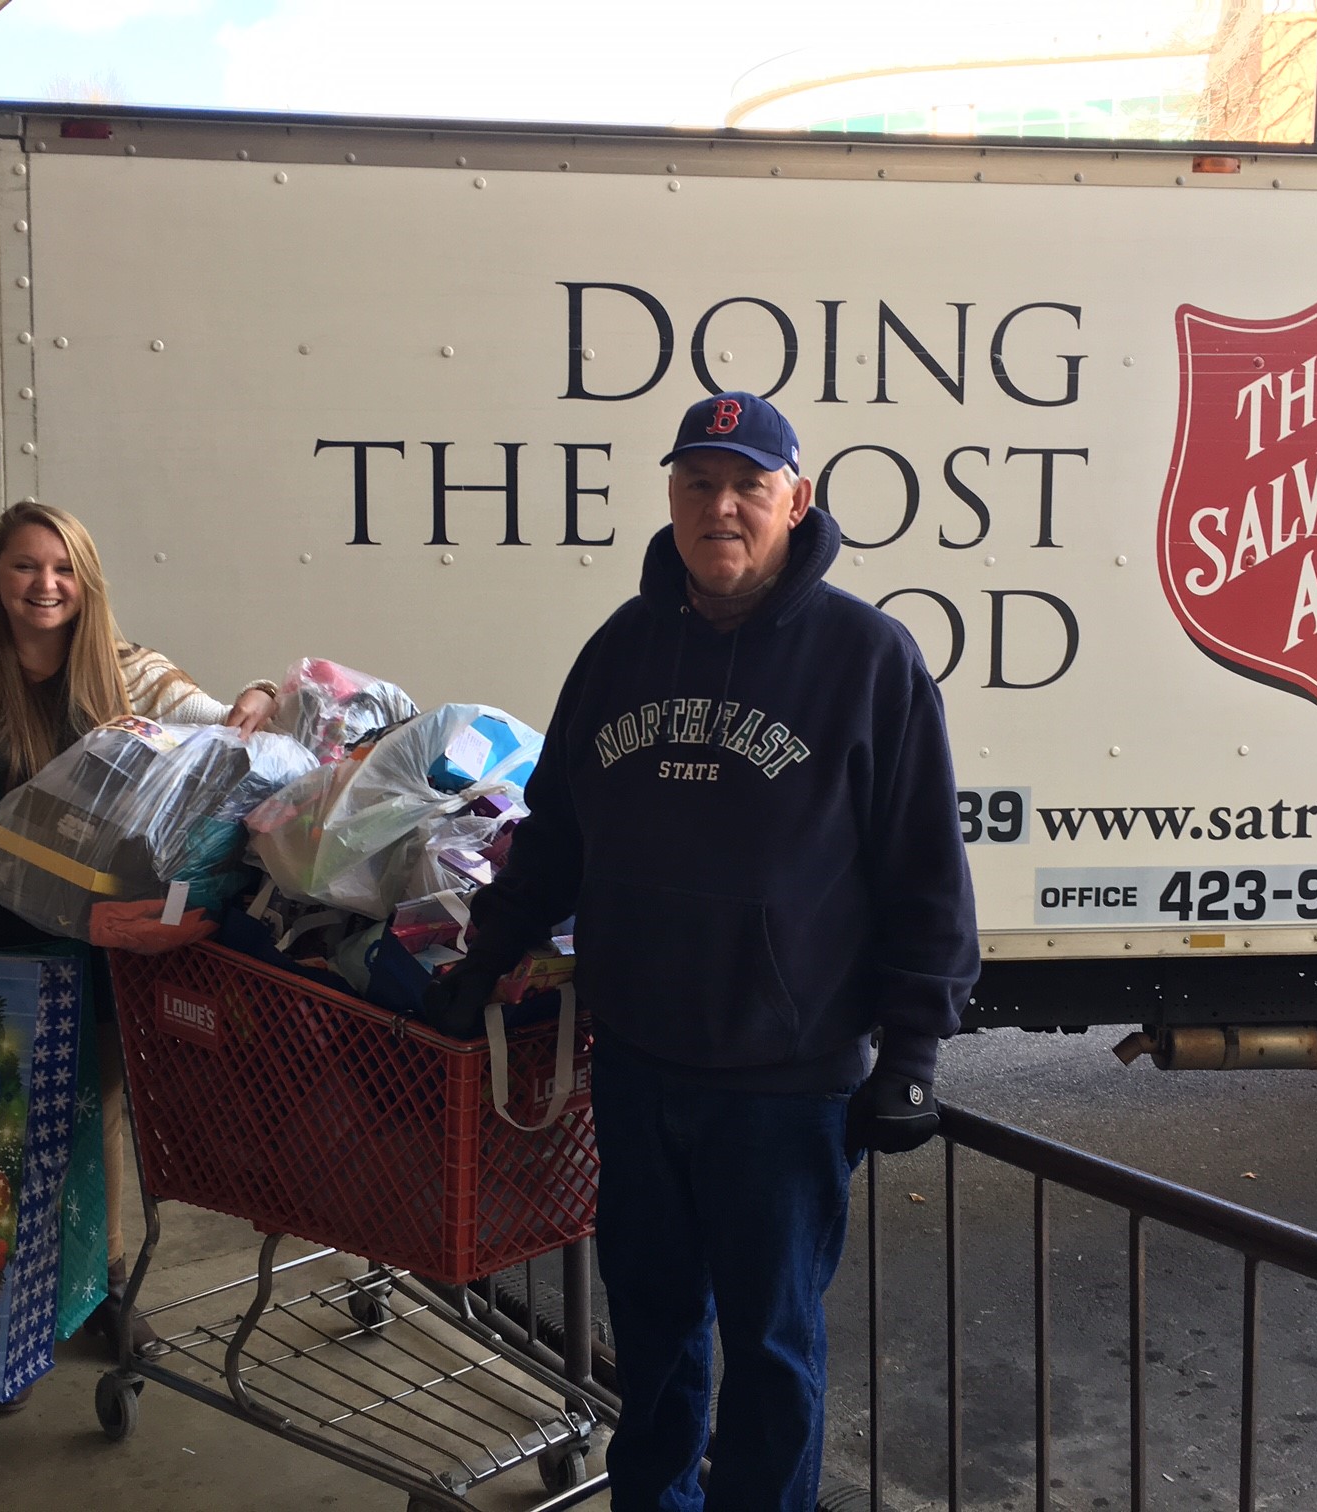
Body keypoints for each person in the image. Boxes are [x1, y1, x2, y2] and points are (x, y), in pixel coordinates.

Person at [430, 391, 981, 1511]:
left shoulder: (868, 659)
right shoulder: (623, 650)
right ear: (670, 498)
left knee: (771, 1351)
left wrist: (915, 1052)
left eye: (747, 484)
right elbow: (558, 838)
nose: (720, 507)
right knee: (655, 1328)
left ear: (798, 499)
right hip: (637, 1068)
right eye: (697, 483)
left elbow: (925, 868)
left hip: (786, 1087)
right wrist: (485, 962)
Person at [0, 500, 279, 1405]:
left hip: (103, 942)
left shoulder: (132, 673)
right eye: (23, 566)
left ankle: (101, 1287)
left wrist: (264, 698)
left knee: (94, 1124)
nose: (43, 585)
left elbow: (221, 726)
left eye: (61, 567)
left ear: (85, 578)